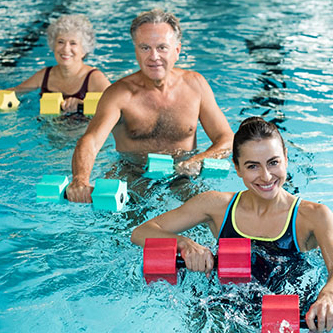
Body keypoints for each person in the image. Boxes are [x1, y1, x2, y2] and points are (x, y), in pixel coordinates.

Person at [131, 117, 333, 332]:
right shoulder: (216, 206)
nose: (266, 176)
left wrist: (328, 296)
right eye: (252, 166)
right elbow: (140, 232)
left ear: (286, 159)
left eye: (273, 162)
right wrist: (184, 243)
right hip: (224, 311)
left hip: (287, 318)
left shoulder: (314, 216)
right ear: (237, 168)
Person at [65, 8, 234, 203]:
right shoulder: (119, 94)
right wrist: (80, 179)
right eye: (145, 48)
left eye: (162, 47)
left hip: (183, 174)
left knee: (209, 214)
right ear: (136, 50)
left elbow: (226, 138)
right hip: (134, 173)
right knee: (129, 228)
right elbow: (91, 141)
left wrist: (198, 160)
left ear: (177, 50)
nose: (154, 57)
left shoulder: (196, 86)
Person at [5, 14, 110, 112]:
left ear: (84, 50)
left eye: (73, 43)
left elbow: (117, 105)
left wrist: (82, 104)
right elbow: (15, 91)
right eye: (60, 42)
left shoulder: (94, 78)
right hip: (47, 129)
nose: (65, 49)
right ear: (53, 45)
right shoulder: (45, 75)